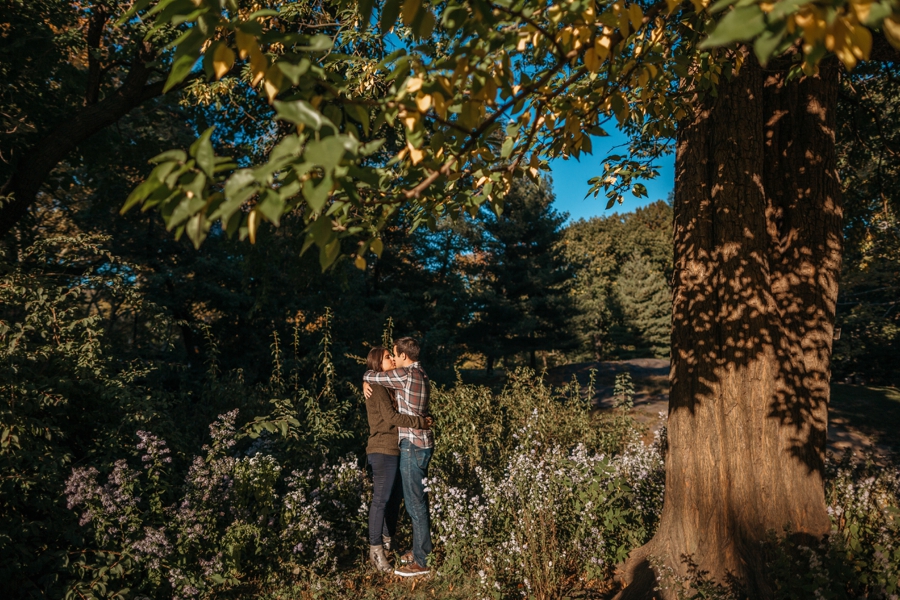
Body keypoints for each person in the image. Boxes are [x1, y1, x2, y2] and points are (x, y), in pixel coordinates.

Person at [363, 336, 434, 577]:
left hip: (410, 445)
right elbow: (391, 412)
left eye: (393, 354)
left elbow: (373, 375)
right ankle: (392, 549)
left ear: (404, 356)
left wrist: (366, 377)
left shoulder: (403, 375)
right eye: (388, 356)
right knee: (400, 500)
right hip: (402, 446)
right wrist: (366, 378)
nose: (393, 358)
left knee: (412, 503)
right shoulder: (419, 374)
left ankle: (420, 559)